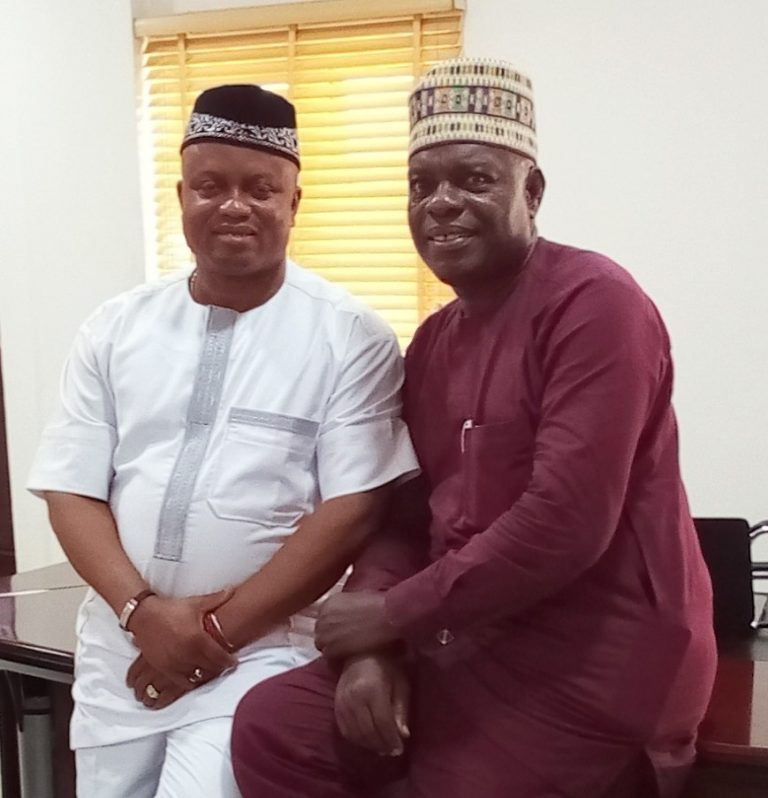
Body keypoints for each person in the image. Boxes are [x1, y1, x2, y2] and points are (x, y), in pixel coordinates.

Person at [231, 58, 718, 798]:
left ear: (533, 191)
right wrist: (373, 652)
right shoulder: (433, 342)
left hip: (589, 662)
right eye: (420, 185)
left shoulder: (596, 304)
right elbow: (406, 514)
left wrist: (392, 615)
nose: (441, 204)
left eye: (474, 180)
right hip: (456, 640)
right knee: (275, 727)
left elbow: (566, 522)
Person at [27, 84, 418, 798]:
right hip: (119, 648)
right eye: (211, 186)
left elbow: (353, 510)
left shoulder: (349, 336)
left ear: (294, 203)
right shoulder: (115, 328)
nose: (235, 205)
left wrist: (210, 636)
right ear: (182, 197)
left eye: (260, 189)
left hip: (255, 657)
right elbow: (71, 487)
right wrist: (143, 616)